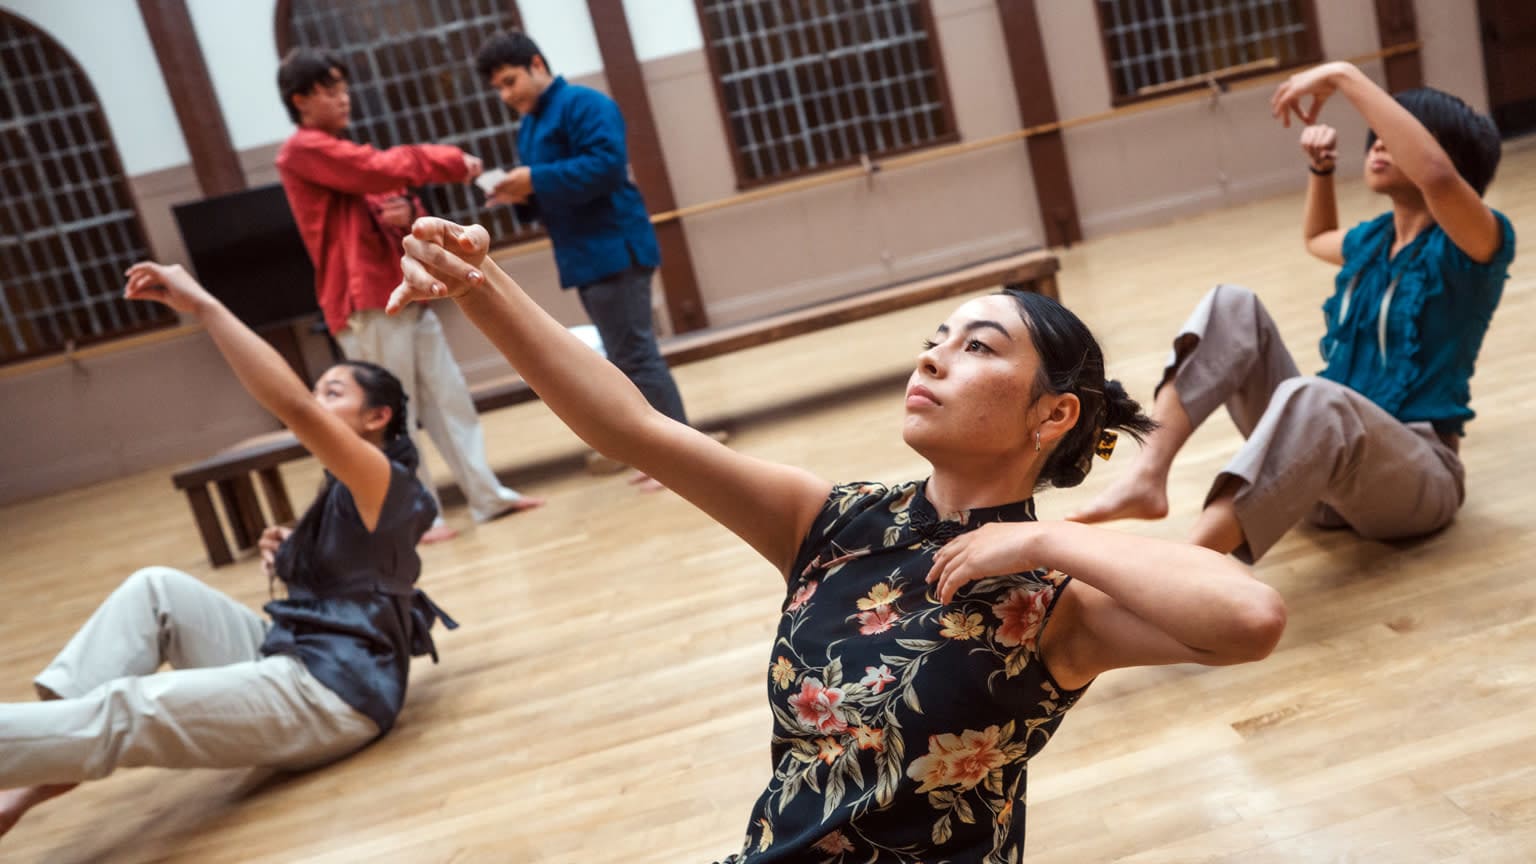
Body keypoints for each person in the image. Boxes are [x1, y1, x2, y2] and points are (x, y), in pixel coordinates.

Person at [385, 216, 1287, 859]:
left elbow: (1251, 619)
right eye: (936, 340)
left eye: (978, 348)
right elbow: (632, 428)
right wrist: (480, 286)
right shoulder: (833, 520)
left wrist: (1048, 546)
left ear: (1051, 415)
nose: (932, 357)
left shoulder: (1056, 605)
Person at [0, 263, 457, 838]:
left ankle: (45, 748)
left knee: (131, 706)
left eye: (333, 393)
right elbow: (360, 573)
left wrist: (204, 305)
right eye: (319, 390)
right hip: (297, 659)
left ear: (377, 417)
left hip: (334, 698)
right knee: (157, 590)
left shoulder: (386, 481)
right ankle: (35, 768)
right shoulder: (354, 487)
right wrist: (298, 550)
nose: (317, 400)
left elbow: (294, 408)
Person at [1070, 61, 1514, 564]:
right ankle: (1146, 475)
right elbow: (1317, 237)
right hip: (1320, 476)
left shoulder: (1476, 246)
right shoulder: (1376, 241)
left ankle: (1179, 569)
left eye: (1397, 135)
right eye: (1376, 136)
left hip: (1418, 482)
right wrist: (1321, 171)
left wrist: (1343, 76)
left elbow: (1435, 175)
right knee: (1231, 304)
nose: (1378, 144)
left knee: (1316, 397)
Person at [275, 47, 543, 540]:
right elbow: (378, 171)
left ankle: (487, 496)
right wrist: (450, 161)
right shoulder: (303, 151)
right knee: (391, 414)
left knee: (448, 396)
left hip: (402, 288)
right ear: (301, 100)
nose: (344, 98)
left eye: (343, 88)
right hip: (366, 302)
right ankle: (418, 517)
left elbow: (390, 198)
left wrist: (408, 212)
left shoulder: (344, 152)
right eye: (330, 90)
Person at [474, 31, 694, 486]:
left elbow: (606, 167)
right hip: (585, 254)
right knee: (624, 358)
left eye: (510, 81)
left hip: (615, 246)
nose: (506, 95)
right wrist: (520, 193)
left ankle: (686, 458)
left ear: (537, 64)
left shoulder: (584, 103)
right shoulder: (531, 123)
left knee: (637, 356)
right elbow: (550, 188)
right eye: (498, 88)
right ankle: (661, 457)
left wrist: (535, 179)